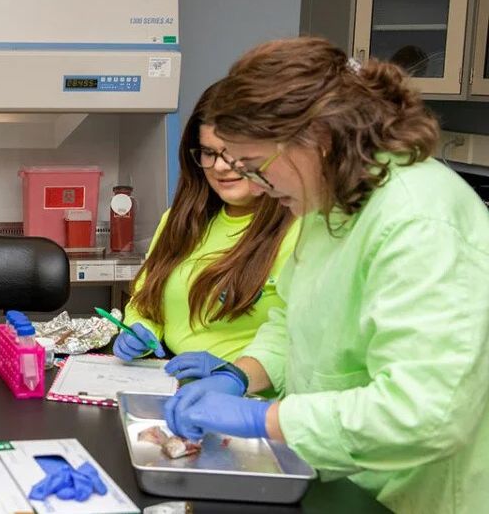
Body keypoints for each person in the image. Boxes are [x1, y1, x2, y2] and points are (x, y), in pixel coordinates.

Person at [161, 37, 489, 514]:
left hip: (419, 495)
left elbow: (425, 414)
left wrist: (262, 419)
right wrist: (239, 376)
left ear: (317, 138)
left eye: (254, 166)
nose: (256, 187)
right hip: (343, 475)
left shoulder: (419, 222)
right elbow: (294, 321)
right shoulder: (329, 200)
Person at [114, 82, 299, 377]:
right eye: (209, 152)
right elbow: (146, 298)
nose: (221, 167)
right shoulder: (180, 219)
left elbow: (306, 342)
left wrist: (233, 374)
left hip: (248, 395)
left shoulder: (301, 231)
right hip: (170, 381)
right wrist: (142, 328)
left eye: (234, 152)